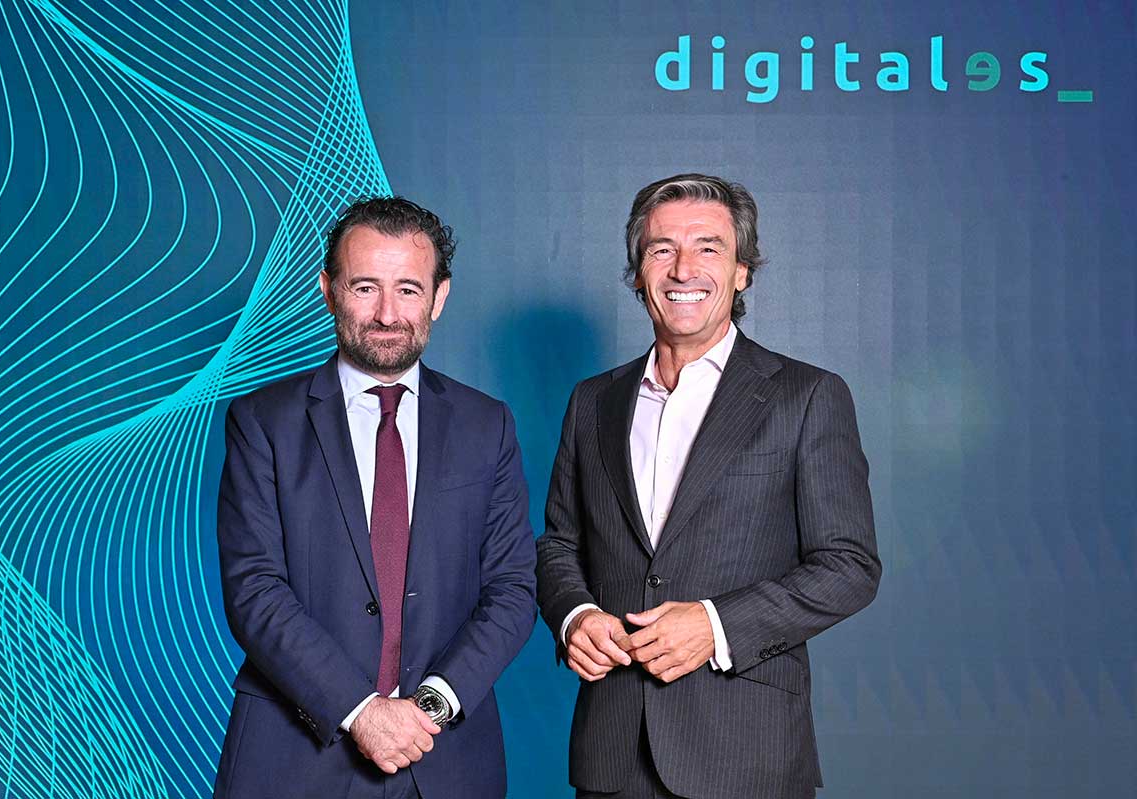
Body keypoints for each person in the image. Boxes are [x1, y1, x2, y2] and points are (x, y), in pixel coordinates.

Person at [536, 174, 881, 799]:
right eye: (661, 249)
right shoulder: (592, 402)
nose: (683, 269)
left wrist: (716, 625)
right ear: (638, 272)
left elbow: (849, 566)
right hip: (611, 753)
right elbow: (560, 544)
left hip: (744, 757)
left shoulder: (807, 396)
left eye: (708, 248)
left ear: (742, 271)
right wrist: (575, 616)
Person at [214, 197, 536, 799]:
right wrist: (360, 711)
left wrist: (431, 706)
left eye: (408, 289)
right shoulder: (262, 422)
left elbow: (513, 588)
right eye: (365, 287)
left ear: (438, 297)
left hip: (443, 757)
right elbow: (254, 588)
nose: (388, 314)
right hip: (294, 757)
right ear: (328, 290)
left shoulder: (486, 425)